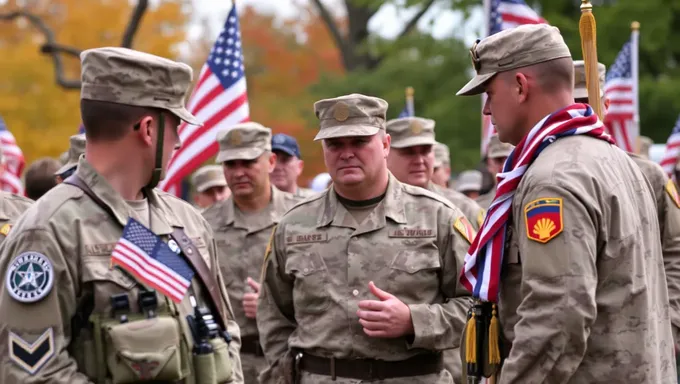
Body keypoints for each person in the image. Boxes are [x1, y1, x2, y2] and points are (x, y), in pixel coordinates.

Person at [0, 47, 244, 383]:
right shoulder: (49, 229)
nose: (178, 141)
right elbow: (33, 373)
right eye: (175, 125)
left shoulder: (186, 221)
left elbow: (224, 334)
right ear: (147, 129)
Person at [456, 24, 675, 383]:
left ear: (520, 87)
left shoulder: (552, 180)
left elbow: (557, 318)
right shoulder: (613, 159)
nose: (486, 111)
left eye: (489, 93)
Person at [257, 93, 475, 384]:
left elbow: (480, 307)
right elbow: (273, 313)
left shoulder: (437, 217)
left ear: (385, 145)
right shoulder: (294, 225)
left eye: (359, 142)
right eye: (335, 144)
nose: (346, 153)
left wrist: (414, 321)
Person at [573, 59, 680, 354]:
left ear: (605, 105)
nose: (583, 111)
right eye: (574, 103)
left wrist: (671, 322)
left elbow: (674, 250)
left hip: (638, 342)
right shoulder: (545, 174)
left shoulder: (648, 175)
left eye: (589, 102)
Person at [203, 122, 301, 384]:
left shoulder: (303, 219)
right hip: (227, 364)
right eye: (230, 164)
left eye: (248, 163)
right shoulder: (202, 226)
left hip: (288, 361)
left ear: (270, 162)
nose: (238, 172)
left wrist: (271, 304)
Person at [386, 116, 486, 233]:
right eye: (408, 152)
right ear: (385, 152)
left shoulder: (465, 209)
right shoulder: (371, 206)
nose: (419, 160)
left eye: (425, 151)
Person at [270, 133, 316, 198]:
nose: (277, 167)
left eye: (285, 160)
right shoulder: (252, 204)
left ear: (300, 166)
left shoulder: (314, 203)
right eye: (272, 161)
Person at [475, 134, 513, 209]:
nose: (504, 166)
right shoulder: (478, 207)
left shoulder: (528, 197)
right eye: (499, 160)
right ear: (489, 164)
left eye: (509, 159)